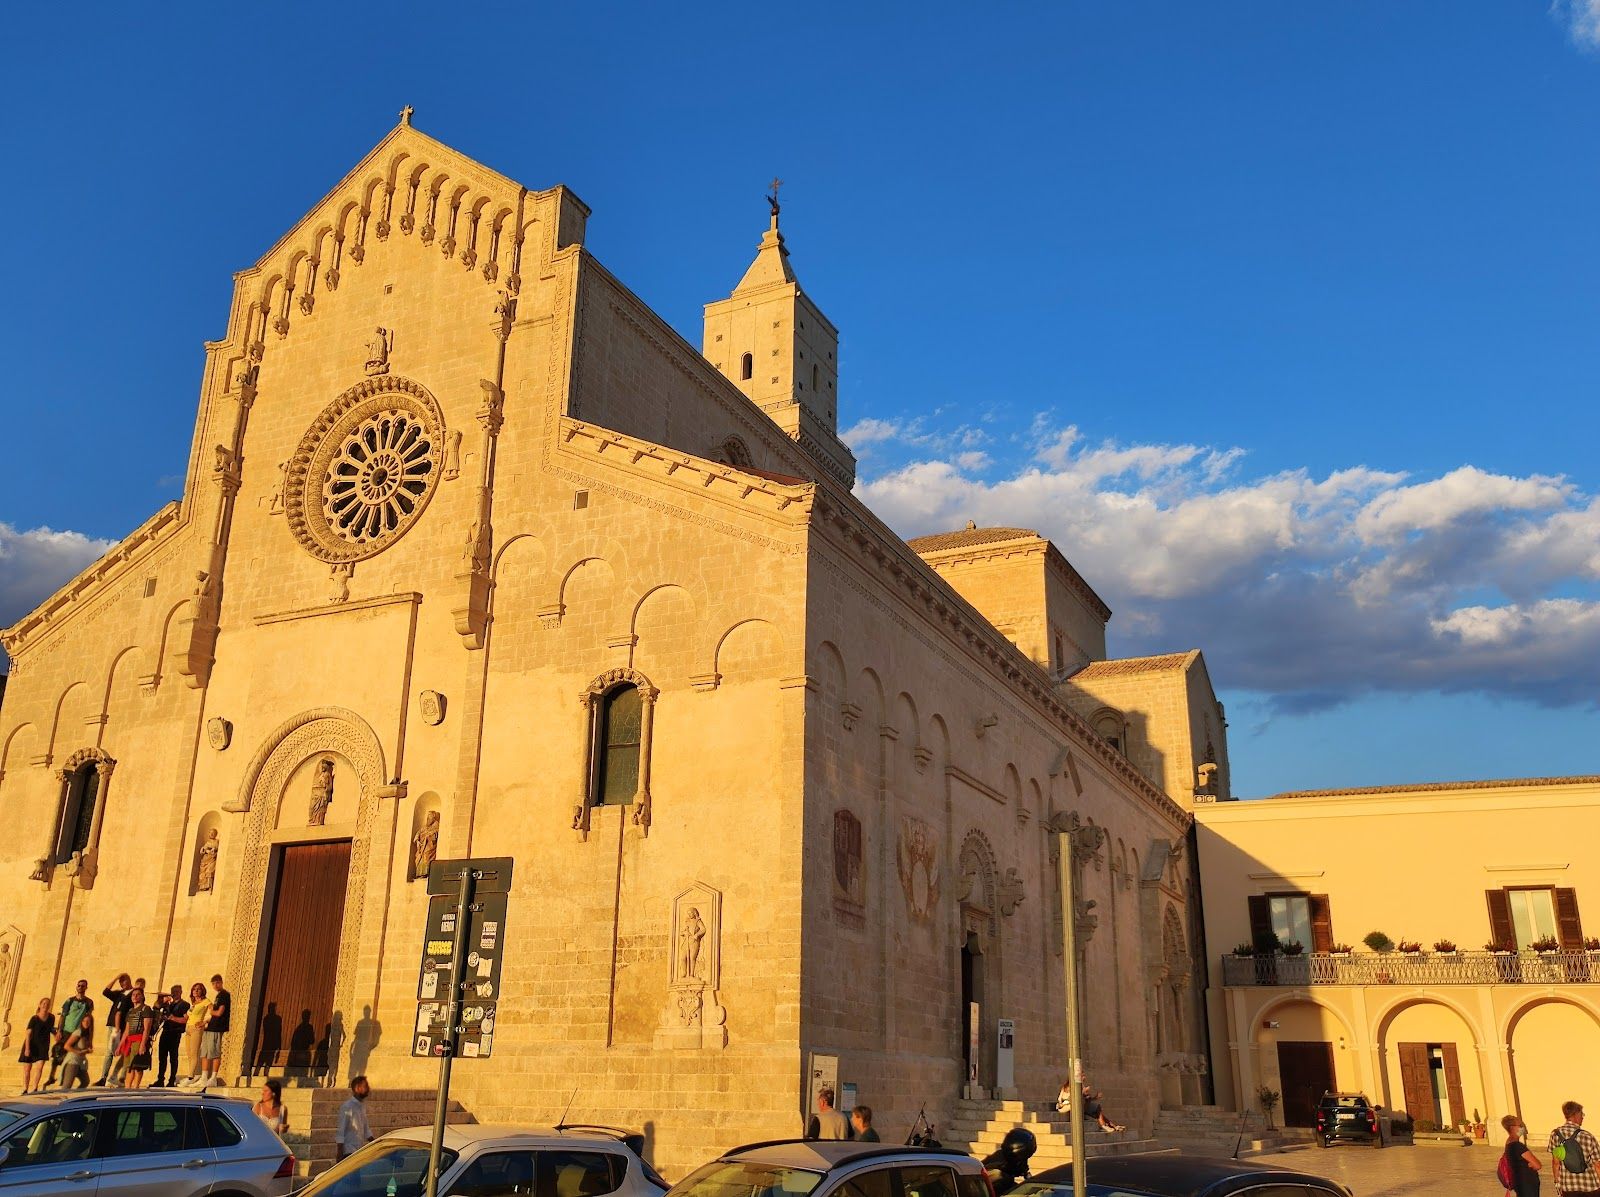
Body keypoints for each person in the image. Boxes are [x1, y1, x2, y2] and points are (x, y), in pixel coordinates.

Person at [185, 974, 229, 1090]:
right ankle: (204, 1077)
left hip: (216, 1027)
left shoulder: (224, 995)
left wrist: (208, 1015)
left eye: (217, 983)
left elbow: (218, 1013)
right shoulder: (217, 996)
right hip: (207, 1027)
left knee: (214, 1052)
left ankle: (212, 1078)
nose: (215, 985)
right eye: (213, 983)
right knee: (204, 1053)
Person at [48, 980, 93, 1089]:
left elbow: (88, 1017)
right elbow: (63, 1016)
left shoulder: (88, 1002)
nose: (80, 987)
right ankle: (53, 1076)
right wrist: (59, 1030)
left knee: (73, 1054)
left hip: (78, 1032)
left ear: (86, 987)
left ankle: (71, 1074)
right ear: (76, 987)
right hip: (67, 1031)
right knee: (59, 1052)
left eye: (83, 986)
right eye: (79, 985)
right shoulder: (70, 1001)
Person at [1549, 1102, 1600, 1195]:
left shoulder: (1555, 1134)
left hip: (1568, 1188)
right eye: (1581, 1114)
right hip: (1590, 1187)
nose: (1582, 1117)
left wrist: (1557, 1182)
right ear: (1575, 1115)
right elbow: (1597, 1165)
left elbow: (1556, 1163)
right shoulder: (1587, 1136)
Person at [94, 973, 132, 1085]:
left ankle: (121, 1077)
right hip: (113, 1025)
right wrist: (115, 978)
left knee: (126, 1051)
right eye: (121, 982)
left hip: (125, 1026)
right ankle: (103, 1077)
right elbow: (105, 991)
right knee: (109, 1051)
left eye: (123, 981)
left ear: (129, 981)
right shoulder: (119, 993)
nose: (122, 983)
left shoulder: (133, 993)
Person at [119, 986, 156, 1090]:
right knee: (128, 1067)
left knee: (137, 1066)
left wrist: (143, 1044)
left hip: (139, 1039)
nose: (135, 996)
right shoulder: (130, 1011)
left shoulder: (146, 1009)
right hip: (130, 1040)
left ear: (142, 996)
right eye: (133, 995)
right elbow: (127, 1030)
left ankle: (135, 1087)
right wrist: (120, 1045)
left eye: (138, 994)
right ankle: (127, 1088)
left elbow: (146, 1028)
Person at [154, 984, 191, 1087]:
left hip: (175, 1032)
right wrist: (161, 1000)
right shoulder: (168, 1005)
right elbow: (156, 1007)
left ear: (180, 992)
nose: (174, 993)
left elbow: (186, 1019)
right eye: (173, 991)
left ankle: (172, 1080)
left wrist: (172, 1018)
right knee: (162, 1057)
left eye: (176, 991)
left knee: (173, 1057)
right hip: (166, 1031)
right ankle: (160, 1079)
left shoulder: (184, 1005)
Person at [18, 998, 53, 1094]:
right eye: (44, 1003)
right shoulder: (34, 1018)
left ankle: (34, 1088)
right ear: (40, 1005)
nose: (45, 1005)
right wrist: (27, 1048)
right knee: (27, 1069)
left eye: (47, 1004)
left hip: (43, 1045)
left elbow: (49, 1029)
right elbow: (28, 1033)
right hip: (31, 1044)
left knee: (39, 1068)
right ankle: (25, 1088)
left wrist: (57, 1033)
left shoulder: (51, 1018)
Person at [1503, 1113, 1542, 1197]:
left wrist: (1530, 1163)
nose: (1522, 1127)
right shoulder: (1518, 1146)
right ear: (1512, 1128)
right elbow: (1538, 1165)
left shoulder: (1508, 1143)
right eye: (1520, 1125)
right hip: (1527, 1185)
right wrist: (1531, 1164)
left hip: (1520, 1183)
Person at [337, 1075, 374, 1161]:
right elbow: (341, 1131)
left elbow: (366, 1130)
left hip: (358, 1150)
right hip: (348, 1151)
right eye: (365, 1086)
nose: (368, 1089)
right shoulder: (347, 1107)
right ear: (358, 1088)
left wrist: (375, 1143)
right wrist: (339, 1152)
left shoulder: (362, 1107)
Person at [183, 982, 211, 1083]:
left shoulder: (206, 1001)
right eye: (194, 989)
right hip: (188, 1029)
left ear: (202, 991)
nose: (196, 991)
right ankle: (191, 1074)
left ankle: (190, 1076)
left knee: (194, 1053)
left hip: (196, 1028)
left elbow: (213, 1013)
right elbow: (187, 1016)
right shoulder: (194, 1003)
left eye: (198, 989)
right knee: (189, 1053)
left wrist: (204, 1022)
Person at [59, 1011, 94, 1090]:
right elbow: (66, 1046)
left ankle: (76, 1097)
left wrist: (88, 1050)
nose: (86, 1023)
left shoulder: (88, 1034)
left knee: (85, 1081)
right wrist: (78, 1052)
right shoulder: (78, 1032)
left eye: (88, 1021)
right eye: (84, 1021)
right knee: (66, 1086)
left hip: (80, 1063)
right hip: (73, 1061)